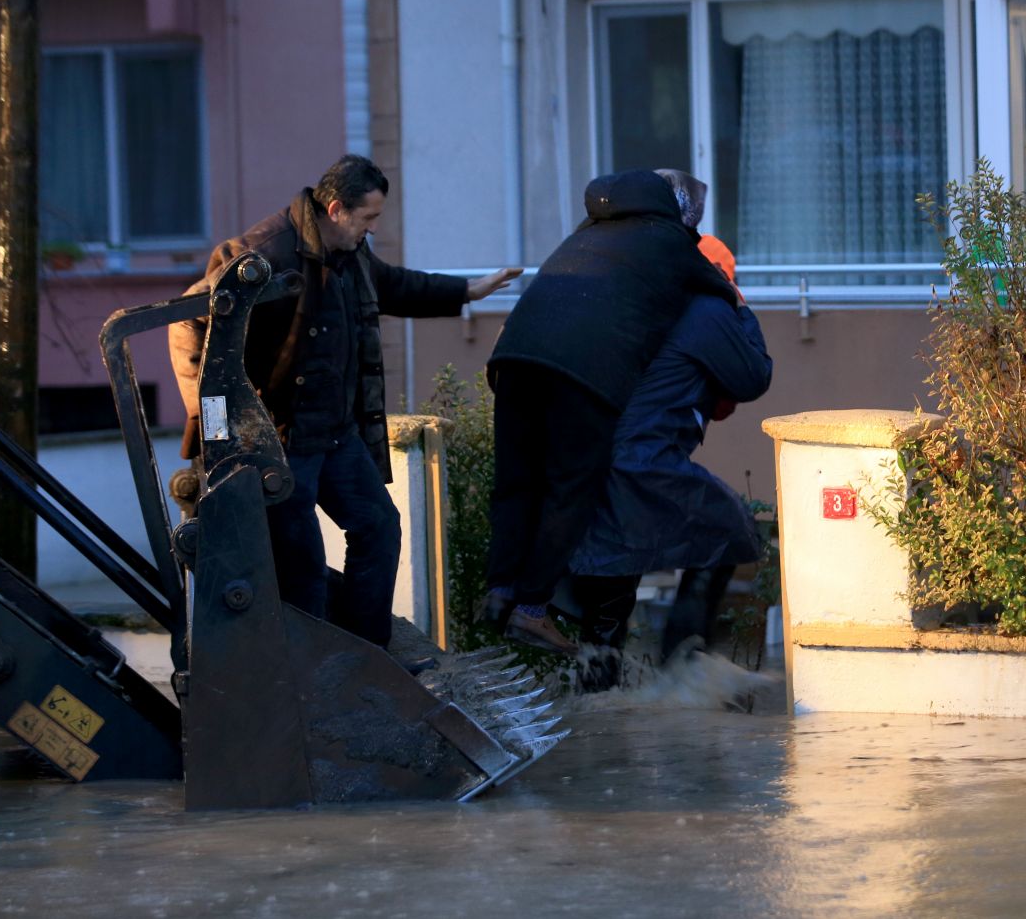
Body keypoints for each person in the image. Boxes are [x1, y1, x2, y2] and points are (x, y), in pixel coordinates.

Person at [169, 154, 520, 648]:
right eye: (369, 219)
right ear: (335, 209)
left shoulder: (346, 253)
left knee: (379, 527)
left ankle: (368, 654)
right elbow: (187, 320)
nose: (372, 230)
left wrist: (467, 290)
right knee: (302, 570)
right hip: (280, 442)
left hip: (334, 435)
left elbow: (393, 285)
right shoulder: (264, 253)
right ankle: (310, 681)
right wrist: (216, 425)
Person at [483, 168, 738, 654]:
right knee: (570, 489)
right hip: (580, 373)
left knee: (517, 482)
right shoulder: (670, 242)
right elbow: (722, 293)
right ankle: (532, 611)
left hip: (513, 359)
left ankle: (501, 594)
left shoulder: (587, 235)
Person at [566, 174, 773, 689]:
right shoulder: (705, 305)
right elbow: (753, 376)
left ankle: (597, 703)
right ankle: (685, 667)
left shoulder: (623, 286)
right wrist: (739, 306)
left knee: (613, 578)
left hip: (589, 454)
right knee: (731, 529)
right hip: (641, 459)